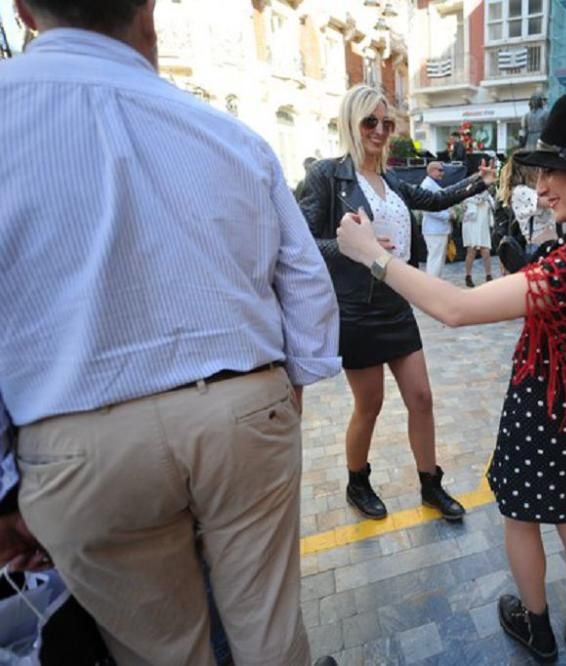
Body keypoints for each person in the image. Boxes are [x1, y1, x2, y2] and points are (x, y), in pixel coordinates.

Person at [0, 2, 342, 664]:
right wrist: (285, 388)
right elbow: (305, 287)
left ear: (22, 10)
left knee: (160, 653)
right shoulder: (229, 133)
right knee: (272, 636)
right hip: (242, 404)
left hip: (77, 440)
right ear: (148, 9)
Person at [334, 60, 566, 666]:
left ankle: (535, 625)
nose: (541, 186)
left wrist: (371, 256)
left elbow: (458, 308)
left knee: (521, 519)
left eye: (553, 172)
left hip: (545, 411)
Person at [298, 85, 496, 522]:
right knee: (369, 405)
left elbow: (435, 199)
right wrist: (353, 247)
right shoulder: (328, 177)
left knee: (421, 398)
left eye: (386, 123)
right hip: (356, 311)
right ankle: (358, 481)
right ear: (351, 121)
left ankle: (430, 485)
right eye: (370, 121)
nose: (380, 130)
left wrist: (476, 182)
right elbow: (302, 243)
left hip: (396, 305)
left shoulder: (390, 180)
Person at [419, 161, 451, 278]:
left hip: (438, 228)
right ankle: (431, 285)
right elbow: (429, 209)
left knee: (438, 259)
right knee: (435, 260)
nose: (442, 173)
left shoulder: (432, 184)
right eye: (439, 170)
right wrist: (448, 215)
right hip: (434, 229)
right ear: (431, 171)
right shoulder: (427, 185)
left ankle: (435, 283)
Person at [461, 189, 495, 286]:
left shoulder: (488, 197)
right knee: (471, 251)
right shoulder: (468, 196)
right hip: (472, 226)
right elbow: (464, 210)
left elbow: (493, 207)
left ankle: (489, 275)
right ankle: (468, 276)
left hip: (483, 227)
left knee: (486, 252)